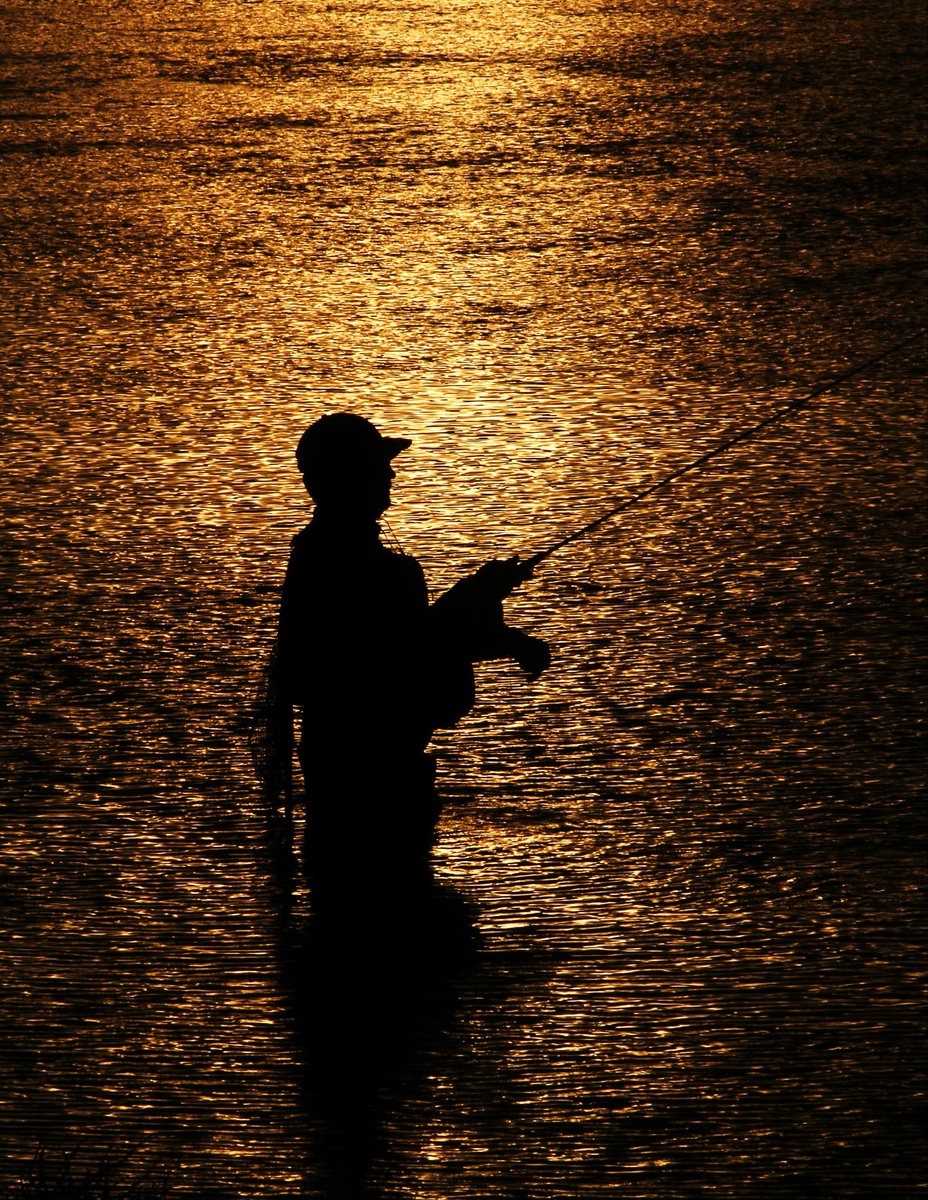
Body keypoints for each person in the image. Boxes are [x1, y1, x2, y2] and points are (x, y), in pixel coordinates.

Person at [274, 412, 550, 905]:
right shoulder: (372, 568)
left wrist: (480, 605)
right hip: (376, 780)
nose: (391, 475)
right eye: (380, 465)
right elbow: (405, 656)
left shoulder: (317, 554)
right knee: (391, 915)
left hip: (343, 773)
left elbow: (403, 647)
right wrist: (486, 612)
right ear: (351, 476)